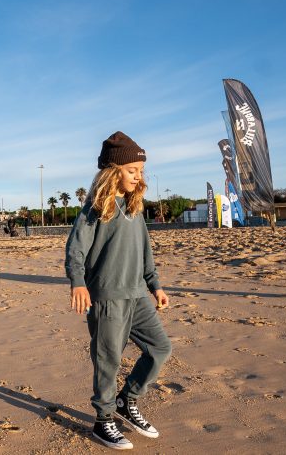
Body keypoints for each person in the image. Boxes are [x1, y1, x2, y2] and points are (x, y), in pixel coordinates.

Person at [65, 131, 172, 450]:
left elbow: (144, 252)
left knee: (160, 348)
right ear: (113, 171)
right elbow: (75, 250)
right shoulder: (95, 208)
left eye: (140, 171)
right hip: (107, 297)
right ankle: (103, 421)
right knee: (108, 361)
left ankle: (127, 400)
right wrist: (78, 282)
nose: (138, 176)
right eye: (132, 170)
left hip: (138, 295)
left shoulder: (134, 207)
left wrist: (155, 285)